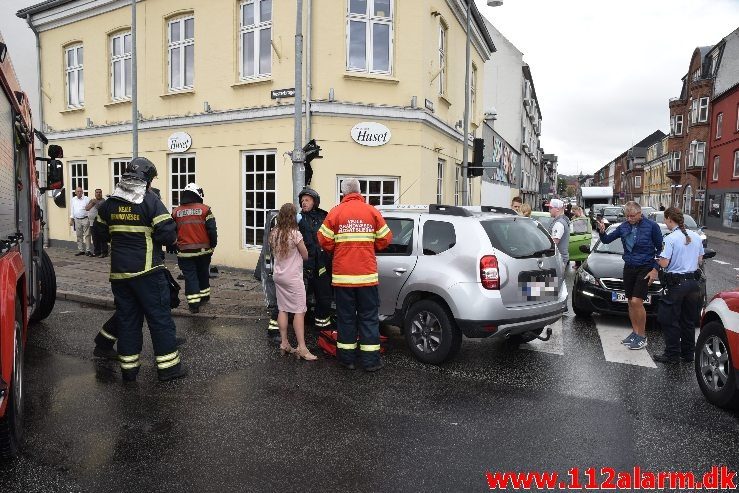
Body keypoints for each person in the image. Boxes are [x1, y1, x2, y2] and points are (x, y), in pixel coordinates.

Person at [93, 157, 186, 382]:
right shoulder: (150, 201)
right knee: (159, 319)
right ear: (146, 179)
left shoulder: (109, 203)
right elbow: (167, 234)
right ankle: (169, 369)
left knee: (128, 320)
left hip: (120, 275)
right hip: (147, 273)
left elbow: (99, 233)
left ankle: (129, 370)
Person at [317, 178, 392, 371]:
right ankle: (371, 362)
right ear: (359, 191)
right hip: (367, 278)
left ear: (343, 193)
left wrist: (338, 248)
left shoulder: (335, 212)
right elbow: (386, 239)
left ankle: (346, 359)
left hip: (343, 279)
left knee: (346, 318)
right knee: (368, 318)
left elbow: (323, 239)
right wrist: (370, 245)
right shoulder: (371, 211)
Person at [597, 201, 662, 351]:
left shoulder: (652, 226)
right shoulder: (623, 226)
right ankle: (635, 332)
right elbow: (607, 240)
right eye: (627, 216)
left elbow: (660, 249)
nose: (630, 218)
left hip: (645, 267)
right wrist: (602, 231)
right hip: (629, 267)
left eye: (632, 216)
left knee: (637, 301)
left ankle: (642, 336)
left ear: (640, 213)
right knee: (630, 302)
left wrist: (655, 269)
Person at [654, 207, 704, 364]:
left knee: (669, 319)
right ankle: (688, 354)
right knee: (688, 320)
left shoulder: (670, 238)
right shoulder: (696, 236)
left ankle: (672, 354)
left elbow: (664, 262)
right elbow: (700, 260)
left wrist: (656, 259)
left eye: (665, 219)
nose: (664, 222)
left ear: (670, 219)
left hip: (676, 285)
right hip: (693, 284)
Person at [270, 202, 317, 361]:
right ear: (293, 217)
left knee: (283, 308)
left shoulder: (274, 233)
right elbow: (305, 255)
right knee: (299, 311)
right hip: (292, 278)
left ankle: (284, 343)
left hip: (278, 277)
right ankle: (302, 348)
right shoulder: (295, 234)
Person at [172, 183, 218, 313]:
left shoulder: (176, 212)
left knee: (190, 277)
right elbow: (212, 230)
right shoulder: (205, 210)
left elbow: (170, 231)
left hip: (184, 253)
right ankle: (204, 297)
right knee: (203, 273)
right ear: (197, 194)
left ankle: (193, 305)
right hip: (204, 252)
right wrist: (213, 244)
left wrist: (174, 245)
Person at [548, 199, 570, 268]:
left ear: (557, 209)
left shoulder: (559, 223)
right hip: (560, 259)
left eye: (551, 208)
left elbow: (554, 243)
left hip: (558, 260)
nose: (549, 210)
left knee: (553, 279)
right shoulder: (564, 219)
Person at [86, 189, 109, 258]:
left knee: (102, 238)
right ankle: (97, 252)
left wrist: (95, 203)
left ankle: (104, 252)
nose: (98, 194)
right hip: (92, 223)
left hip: (101, 223)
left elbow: (100, 208)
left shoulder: (103, 201)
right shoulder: (92, 200)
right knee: (95, 238)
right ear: (95, 193)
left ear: (101, 193)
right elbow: (87, 208)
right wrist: (92, 203)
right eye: (97, 192)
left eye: (100, 192)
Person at [70, 186, 92, 256]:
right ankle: (81, 250)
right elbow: (72, 210)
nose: (79, 193)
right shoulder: (73, 199)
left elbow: (90, 208)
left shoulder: (87, 199)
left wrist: (89, 216)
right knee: (79, 235)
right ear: (75, 192)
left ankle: (88, 250)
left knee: (87, 235)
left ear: (82, 192)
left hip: (85, 218)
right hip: (77, 219)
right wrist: (71, 219)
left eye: (80, 191)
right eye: (78, 191)